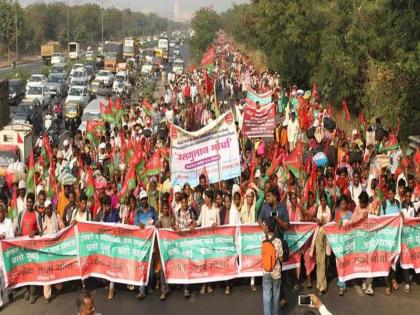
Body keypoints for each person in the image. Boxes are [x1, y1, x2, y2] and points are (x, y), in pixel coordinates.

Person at [16, 192, 43, 304]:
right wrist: (18, 233)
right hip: (23, 247)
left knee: (32, 270)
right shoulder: (21, 214)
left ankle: (32, 293)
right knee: (25, 270)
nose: (29, 204)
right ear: (26, 202)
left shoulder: (37, 215)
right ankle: (26, 289)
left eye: (31, 202)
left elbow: (41, 231)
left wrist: (35, 231)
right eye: (28, 201)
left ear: (33, 203)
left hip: (33, 248)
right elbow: (18, 229)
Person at [96, 195, 120, 299]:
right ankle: (107, 281)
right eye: (106, 205)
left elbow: (118, 225)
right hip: (105, 243)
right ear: (103, 206)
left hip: (114, 242)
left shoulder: (116, 212)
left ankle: (111, 288)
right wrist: (104, 215)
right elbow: (100, 227)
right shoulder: (101, 213)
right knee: (106, 263)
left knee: (113, 263)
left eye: (109, 204)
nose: (108, 207)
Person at [196, 189, 220, 295]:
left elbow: (219, 225)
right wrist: (193, 223)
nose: (204, 199)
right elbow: (199, 221)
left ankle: (209, 284)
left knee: (210, 262)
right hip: (203, 239)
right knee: (203, 262)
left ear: (209, 198)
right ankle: (203, 284)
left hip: (212, 240)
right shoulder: (203, 208)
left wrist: (216, 225)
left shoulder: (216, 210)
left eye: (205, 197)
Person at [41, 199, 65, 303]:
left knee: (57, 268)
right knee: (46, 271)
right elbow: (42, 232)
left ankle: (59, 287)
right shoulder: (43, 219)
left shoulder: (57, 216)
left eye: (49, 208)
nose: (47, 211)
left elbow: (63, 229)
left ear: (51, 208)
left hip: (57, 247)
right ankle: (47, 295)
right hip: (47, 249)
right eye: (46, 209)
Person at [135, 190, 156, 299]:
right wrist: (140, 224)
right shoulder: (137, 212)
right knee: (141, 267)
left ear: (147, 199)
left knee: (151, 268)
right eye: (142, 199)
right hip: (141, 244)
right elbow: (135, 225)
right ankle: (141, 290)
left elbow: (156, 223)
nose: (143, 201)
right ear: (140, 200)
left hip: (151, 242)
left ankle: (149, 285)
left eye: (145, 199)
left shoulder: (152, 210)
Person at [262, 216, 283, 315]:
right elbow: (281, 258)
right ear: (275, 228)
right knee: (276, 295)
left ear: (267, 227)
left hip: (266, 270)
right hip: (276, 271)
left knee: (266, 294)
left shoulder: (263, 239)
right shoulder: (278, 241)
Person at [155, 201, 175, 300]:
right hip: (162, 247)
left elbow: (174, 230)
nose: (165, 210)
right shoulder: (160, 219)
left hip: (170, 247)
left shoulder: (172, 219)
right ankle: (163, 290)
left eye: (167, 208)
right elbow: (155, 226)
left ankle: (169, 287)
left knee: (170, 267)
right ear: (162, 210)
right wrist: (157, 224)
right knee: (162, 269)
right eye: (163, 208)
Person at [334, 195, 352, 296]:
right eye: (342, 204)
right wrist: (338, 223)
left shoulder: (350, 214)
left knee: (347, 263)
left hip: (348, 243)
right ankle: (342, 285)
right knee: (340, 263)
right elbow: (333, 227)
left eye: (345, 204)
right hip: (338, 243)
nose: (343, 206)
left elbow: (354, 224)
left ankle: (346, 279)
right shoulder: (337, 214)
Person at [0, 204, 15, 309]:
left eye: (0, 212)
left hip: (6, 253)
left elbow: (13, 237)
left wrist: (5, 236)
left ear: (4, 212)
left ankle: (10, 291)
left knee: (7, 276)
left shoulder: (9, 222)